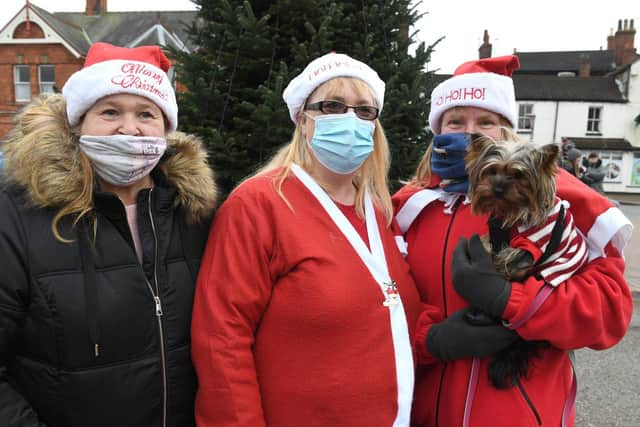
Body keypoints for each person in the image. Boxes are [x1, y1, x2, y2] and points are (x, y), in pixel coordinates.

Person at [393, 55, 633, 427]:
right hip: (423, 414)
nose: (470, 132)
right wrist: (429, 341)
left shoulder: (560, 203)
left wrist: (516, 301)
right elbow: (374, 316)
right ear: (437, 129)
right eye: (456, 120)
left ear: (506, 130)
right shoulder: (407, 210)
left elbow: (610, 314)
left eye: (486, 121)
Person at [191, 52, 423, 426]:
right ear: (302, 117)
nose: (350, 119)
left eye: (364, 111)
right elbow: (222, 340)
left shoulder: (380, 210)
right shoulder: (258, 204)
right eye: (332, 106)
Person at [0, 42, 217, 426]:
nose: (129, 128)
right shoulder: (18, 215)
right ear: (78, 123)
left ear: (166, 128)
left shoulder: (195, 214)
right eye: (110, 111)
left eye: (146, 114)